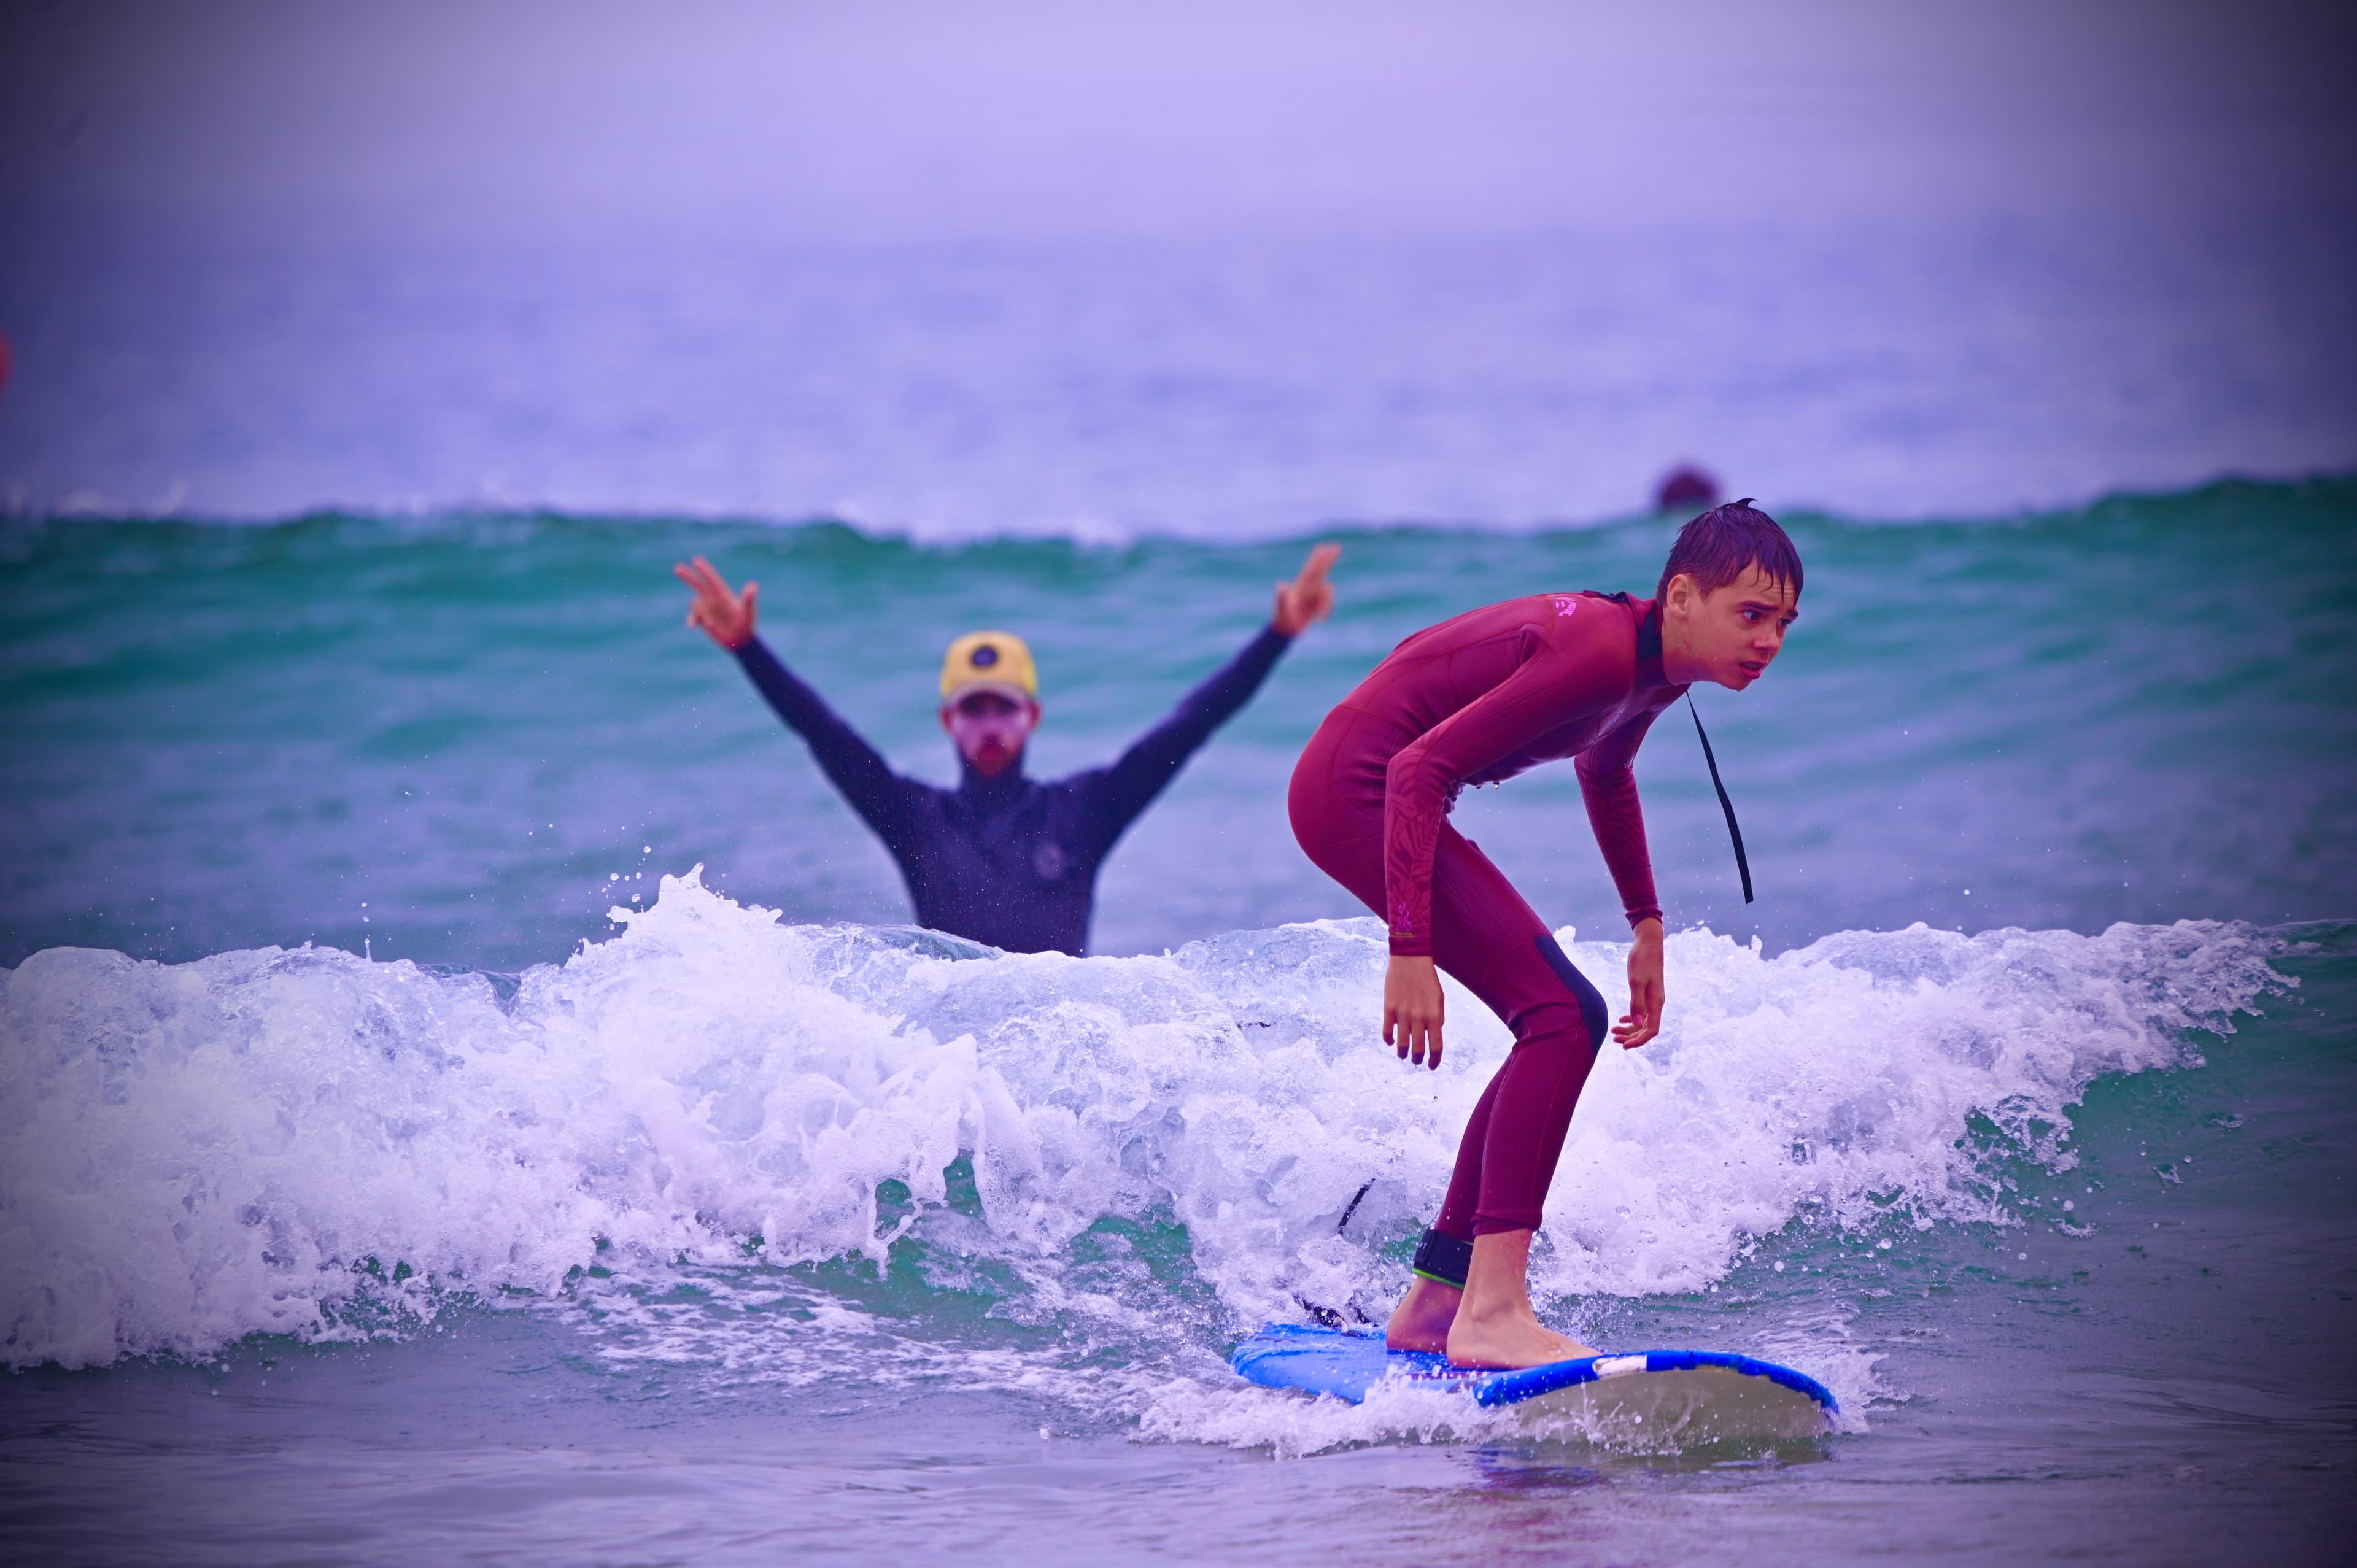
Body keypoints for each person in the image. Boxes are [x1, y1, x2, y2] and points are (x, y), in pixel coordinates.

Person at [1288, 500, 1801, 1367]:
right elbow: (1417, 767)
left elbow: (1606, 767)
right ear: (1681, 596)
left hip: (1385, 792)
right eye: (1750, 614)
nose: (1769, 640)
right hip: (1361, 793)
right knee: (1563, 1016)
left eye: (1784, 622)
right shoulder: (1601, 652)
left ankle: (1437, 1303)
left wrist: (1647, 923)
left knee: (1559, 1016)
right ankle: (1490, 1310)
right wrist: (1409, 950)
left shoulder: (1655, 668)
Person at [673, 543, 1341, 956]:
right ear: (947, 721)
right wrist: (746, 648)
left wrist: (1277, 636)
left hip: (1057, 1051)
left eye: (1003, 708)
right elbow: (824, 734)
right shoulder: (915, 819)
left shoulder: (1085, 809)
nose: (988, 724)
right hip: (957, 1061)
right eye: (973, 708)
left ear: (1033, 717)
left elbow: (1189, 724)